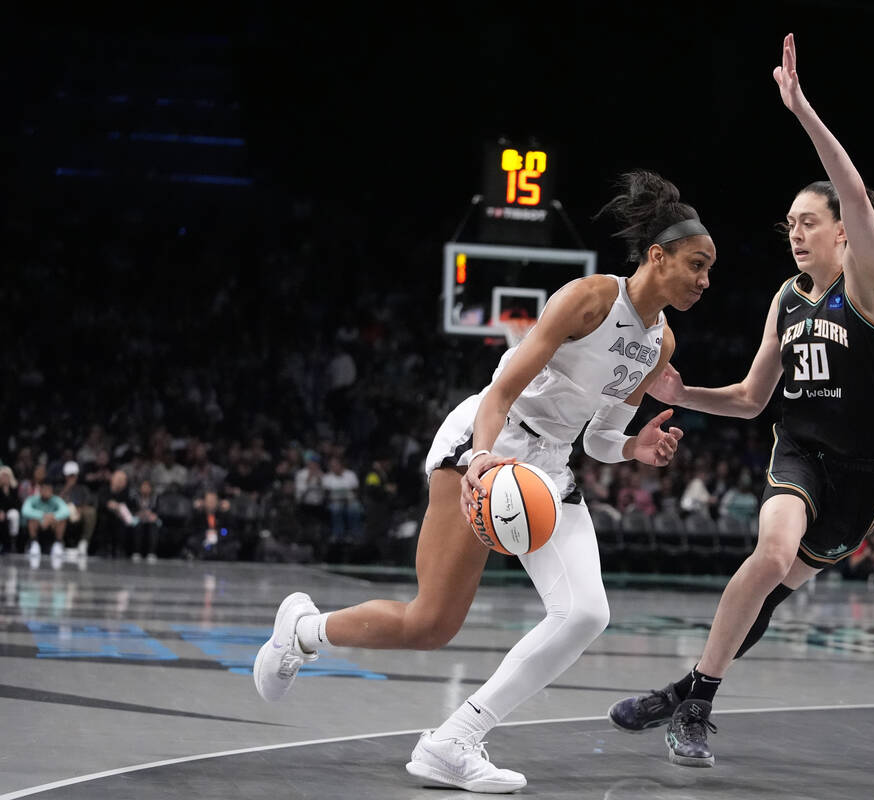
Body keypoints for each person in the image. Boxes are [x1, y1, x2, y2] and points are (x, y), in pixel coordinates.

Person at [252, 169, 713, 792]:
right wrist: (481, 458)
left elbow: (600, 439)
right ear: (657, 256)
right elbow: (501, 389)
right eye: (696, 264)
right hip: (492, 440)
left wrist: (639, 445)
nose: (705, 281)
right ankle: (303, 630)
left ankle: (453, 741)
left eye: (709, 269)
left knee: (584, 613)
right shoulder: (591, 299)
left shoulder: (660, 346)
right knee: (431, 625)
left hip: (550, 466)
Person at [607, 33, 874, 768]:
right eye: (790, 224)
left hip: (864, 476)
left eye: (809, 222)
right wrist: (685, 393)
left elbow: (858, 192)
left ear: (844, 232)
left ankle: (683, 690)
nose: (795, 233)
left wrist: (800, 109)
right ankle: (700, 706)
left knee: (768, 596)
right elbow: (748, 399)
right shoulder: (785, 300)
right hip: (798, 452)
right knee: (769, 557)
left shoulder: (871, 290)